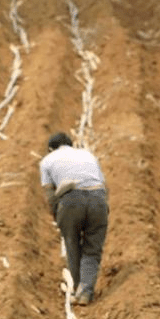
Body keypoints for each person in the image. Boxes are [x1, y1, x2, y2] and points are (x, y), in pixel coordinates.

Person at [39, 131, 109, 306]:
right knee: (92, 249)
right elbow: (103, 185)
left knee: (72, 243)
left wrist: (58, 216)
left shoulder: (47, 160)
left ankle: (77, 288)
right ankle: (85, 292)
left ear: (50, 149)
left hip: (70, 201)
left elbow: (50, 194)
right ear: (71, 144)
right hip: (97, 197)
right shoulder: (87, 155)